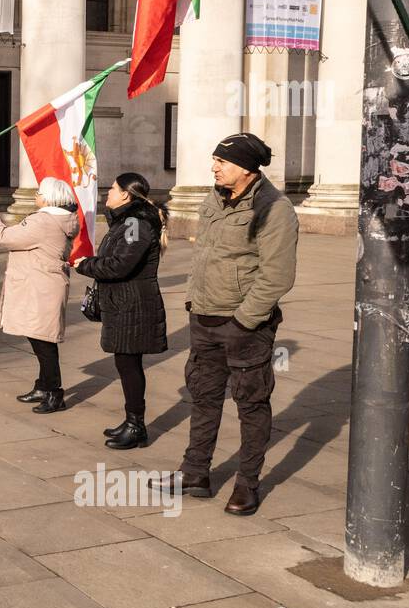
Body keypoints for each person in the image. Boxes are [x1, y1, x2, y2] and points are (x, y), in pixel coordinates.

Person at [151, 132, 299, 516]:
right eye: (215, 160)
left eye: (223, 162)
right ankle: (195, 472)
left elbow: (277, 275)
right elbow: (205, 255)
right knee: (203, 397)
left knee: (251, 403)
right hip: (203, 318)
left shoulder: (273, 208)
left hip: (244, 326)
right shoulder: (213, 198)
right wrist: (191, 299)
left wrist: (243, 321)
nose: (214, 167)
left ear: (248, 168)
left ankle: (247, 483)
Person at [73, 173, 169, 446]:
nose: (107, 194)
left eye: (113, 189)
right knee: (125, 363)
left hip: (133, 305)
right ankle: (132, 422)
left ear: (126, 194)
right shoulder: (127, 222)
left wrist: (85, 265)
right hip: (124, 303)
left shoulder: (135, 224)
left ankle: (136, 426)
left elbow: (119, 265)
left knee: (129, 365)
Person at [0, 178, 80, 413]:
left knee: (43, 341)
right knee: (40, 338)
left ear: (48, 198)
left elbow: (7, 238)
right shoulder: (60, 218)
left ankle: (54, 392)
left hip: (41, 286)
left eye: (39, 193)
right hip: (44, 284)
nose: (36, 196)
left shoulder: (44, 220)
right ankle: (43, 385)